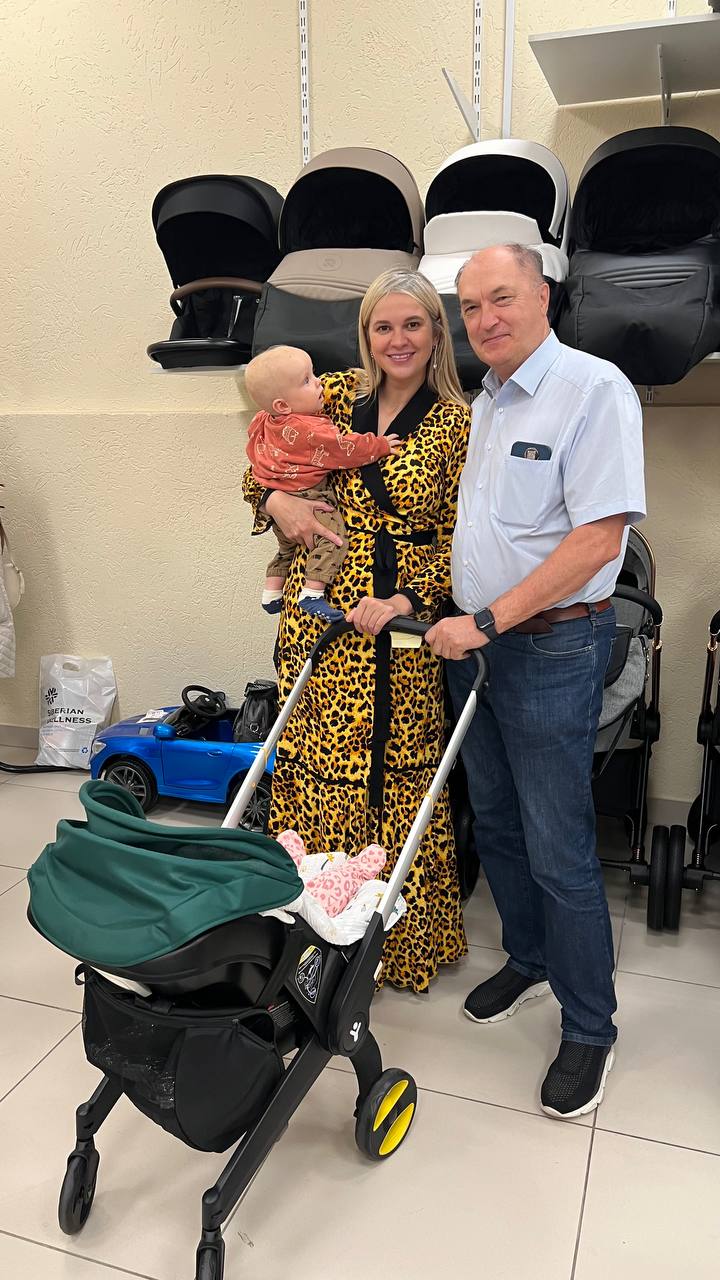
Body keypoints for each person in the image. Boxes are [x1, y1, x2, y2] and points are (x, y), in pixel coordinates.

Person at [426, 244, 646, 1118]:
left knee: (559, 846)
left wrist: (485, 620)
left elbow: (597, 541)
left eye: (501, 299)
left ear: (543, 297)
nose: (484, 320)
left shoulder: (593, 390)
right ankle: (530, 959)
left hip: (549, 648)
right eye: (471, 307)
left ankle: (591, 1026)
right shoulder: (487, 398)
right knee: (499, 822)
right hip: (479, 649)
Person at [243, 269, 471, 992]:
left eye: (413, 324)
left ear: (435, 331)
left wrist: (407, 597)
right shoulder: (333, 394)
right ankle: (308, 939)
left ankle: (390, 948)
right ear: (365, 335)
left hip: (399, 630)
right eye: (383, 326)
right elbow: (262, 462)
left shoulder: (457, 423)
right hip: (320, 616)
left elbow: (462, 538)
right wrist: (277, 502)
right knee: (313, 769)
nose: (398, 340)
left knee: (396, 777)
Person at [244, 345, 400, 621]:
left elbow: (254, 455)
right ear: (282, 405)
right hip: (309, 495)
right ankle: (312, 594)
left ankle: (271, 590)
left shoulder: (264, 420)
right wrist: (380, 445)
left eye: (314, 374)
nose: (319, 382)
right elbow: (346, 448)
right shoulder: (310, 429)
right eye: (308, 380)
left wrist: (273, 486)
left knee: (286, 548)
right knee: (333, 539)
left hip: (279, 494)